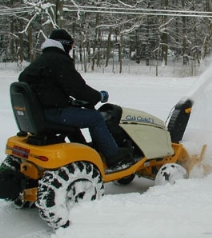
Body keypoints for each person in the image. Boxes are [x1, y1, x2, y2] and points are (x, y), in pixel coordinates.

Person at [18, 29, 132, 170]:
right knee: (95, 118)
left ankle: (84, 150)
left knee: (75, 113)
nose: (70, 50)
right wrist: (98, 96)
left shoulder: (42, 60)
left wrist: (64, 100)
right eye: (71, 47)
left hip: (40, 113)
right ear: (64, 44)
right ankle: (113, 155)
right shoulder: (59, 60)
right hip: (53, 113)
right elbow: (78, 89)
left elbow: (45, 87)